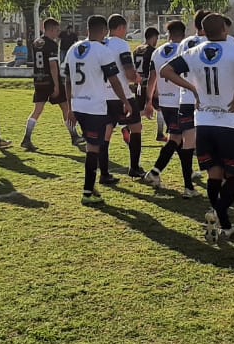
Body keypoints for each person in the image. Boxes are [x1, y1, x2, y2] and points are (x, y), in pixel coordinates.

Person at [161, 12, 234, 243]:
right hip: (231, 123)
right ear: (225, 30)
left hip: (204, 123)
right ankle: (218, 212)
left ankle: (224, 226)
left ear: (204, 31)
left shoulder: (194, 51)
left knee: (214, 174)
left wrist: (192, 88)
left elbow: (166, 70)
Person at [64, 15, 131, 205]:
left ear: (87, 29)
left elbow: (67, 81)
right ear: (103, 31)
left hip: (78, 106)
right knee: (93, 148)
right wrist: (125, 101)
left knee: (92, 146)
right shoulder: (102, 51)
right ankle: (87, 192)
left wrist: (70, 107)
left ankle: (91, 185)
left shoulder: (73, 49)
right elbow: (114, 80)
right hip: (94, 108)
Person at [143, 20, 199, 197]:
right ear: (184, 33)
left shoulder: (157, 51)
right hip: (181, 101)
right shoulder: (185, 49)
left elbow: (152, 78)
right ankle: (156, 172)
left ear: (168, 34)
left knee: (178, 139)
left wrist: (149, 101)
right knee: (179, 139)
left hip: (165, 102)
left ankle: (186, 173)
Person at [23, 18, 76, 151]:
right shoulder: (51, 44)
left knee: (37, 110)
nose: (58, 33)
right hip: (50, 80)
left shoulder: (36, 42)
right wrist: (56, 85)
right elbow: (53, 66)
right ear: (51, 30)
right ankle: (74, 135)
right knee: (65, 107)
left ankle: (27, 138)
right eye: (57, 30)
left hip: (39, 79)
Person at [102, 14, 141, 180]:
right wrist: (136, 78)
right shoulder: (121, 44)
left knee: (106, 133)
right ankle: (134, 167)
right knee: (136, 127)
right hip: (122, 94)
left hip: (103, 95)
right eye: (125, 28)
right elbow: (129, 72)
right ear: (120, 28)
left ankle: (104, 173)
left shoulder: (100, 43)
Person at [132, 26, 162, 144]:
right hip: (148, 84)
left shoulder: (137, 50)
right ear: (153, 37)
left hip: (138, 84)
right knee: (159, 108)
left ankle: (128, 126)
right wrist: (156, 88)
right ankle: (160, 133)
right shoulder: (153, 51)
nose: (157, 41)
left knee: (142, 110)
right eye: (156, 38)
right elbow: (153, 71)